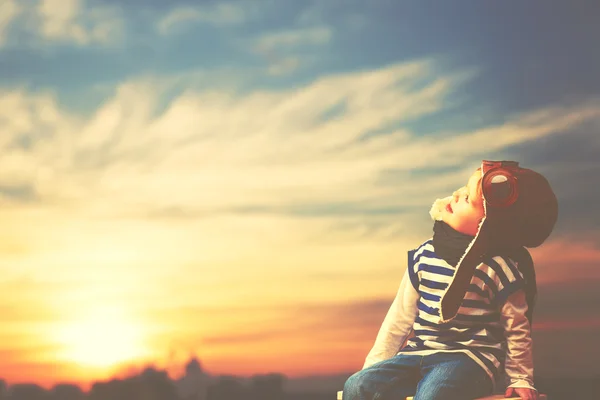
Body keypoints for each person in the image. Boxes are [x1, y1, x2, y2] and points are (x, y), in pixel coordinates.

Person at [343, 160, 558, 400]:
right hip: (418, 354)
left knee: (433, 395)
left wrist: (520, 377)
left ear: (484, 224)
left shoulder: (499, 268)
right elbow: (399, 318)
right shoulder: (423, 255)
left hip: (470, 360)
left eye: (467, 198)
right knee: (357, 386)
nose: (456, 194)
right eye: (462, 189)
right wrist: (375, 366)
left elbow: (516, 328)